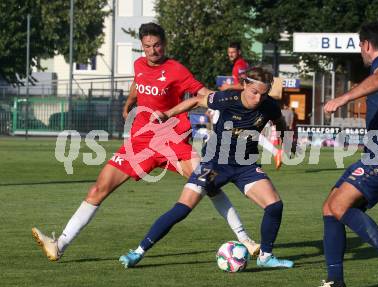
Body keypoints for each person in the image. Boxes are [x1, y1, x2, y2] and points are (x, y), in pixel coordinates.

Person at [31, 22, 260, 262]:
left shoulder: (176, 70)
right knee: (98, 189)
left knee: (209, 181)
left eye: (157, 45)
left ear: (165, 44)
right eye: (147, 46)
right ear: (142, 46)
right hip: (140, 142)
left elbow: (200, 92)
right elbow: (138, 82)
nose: (152, 51)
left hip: (173, 141)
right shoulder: (139, 64)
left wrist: (231, 100)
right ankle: (59, 245)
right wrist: (129, 102)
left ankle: (244, 239)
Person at [119, 67, 294, 269]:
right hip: (214, 164)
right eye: (255, 92)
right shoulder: (226, 99)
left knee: (275, 206)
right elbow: (195, 100)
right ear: (245, 85)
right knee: (182, 209)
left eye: (263, 94)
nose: (258, 99)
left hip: (246, 165)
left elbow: (279, 121)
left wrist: (286, 142)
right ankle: (138, 252)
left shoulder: (269, 105)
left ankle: (266, 257)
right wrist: (167, 114)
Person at [316, 22, 378, 287]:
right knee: (330, 208)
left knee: (339, 206)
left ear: (366, 45)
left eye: (360, 46)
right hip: (377, 155)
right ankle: (335, 281)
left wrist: (343, 98)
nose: (360, 51)